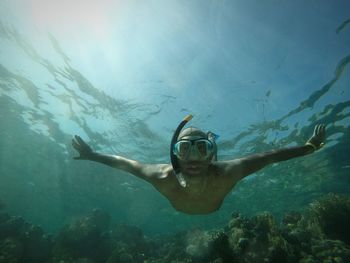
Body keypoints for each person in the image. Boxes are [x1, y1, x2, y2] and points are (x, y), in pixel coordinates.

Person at [72, 115, 326, 215]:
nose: (193, 157)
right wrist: (92, 155)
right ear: (175, 154)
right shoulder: (161, 175)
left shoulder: (228, 172)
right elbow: (126, 163)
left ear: (211, 154)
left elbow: (270, 155)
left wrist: (309, 147)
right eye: (184, 148)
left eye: (201, 148)